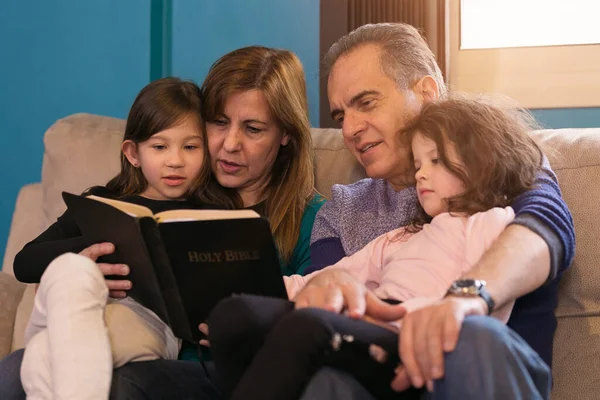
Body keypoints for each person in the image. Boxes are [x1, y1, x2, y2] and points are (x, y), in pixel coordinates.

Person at [0, 45, 322, 400]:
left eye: (254, 129)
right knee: (17, 368)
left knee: (113, 380)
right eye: (218, 123)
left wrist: (250, 327)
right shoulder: (170, 190)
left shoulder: (310, 218)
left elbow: (319, 315)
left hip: (207, 365)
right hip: (104, 335)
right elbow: (28, 260)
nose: (230, 144)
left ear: (286, 133)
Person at [294, 22, 574, 398]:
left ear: (426, 92)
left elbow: (545, 229)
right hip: (383, 380)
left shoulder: (492, 164)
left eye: (366, 103)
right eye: (341, 115)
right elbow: (320, 318)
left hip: (481, 370)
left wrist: (465, 298)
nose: (350, 129)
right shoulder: (341, 209)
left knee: (471, 334)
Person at [207, 96, 550, 400]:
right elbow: (332, 278)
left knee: (308, 327)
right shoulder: (401, 237)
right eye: (418, 165)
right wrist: (254, 287)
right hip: (370, 335)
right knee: (235, 316)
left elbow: (488, 313)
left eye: (436, 161)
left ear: (482, 163)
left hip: (415, 342)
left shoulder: (492, 223)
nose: (420, 175)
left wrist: (405, 314)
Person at [11, 77, 230, 399]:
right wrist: (89, 254)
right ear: (133, 153)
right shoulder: (100, 203)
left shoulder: (210, 213)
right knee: (72, 271)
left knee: (42, 354)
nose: (175, 160)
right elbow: (24, 262)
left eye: (191, 147)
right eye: (159, 146)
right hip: (71, 304)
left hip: (147, 323)